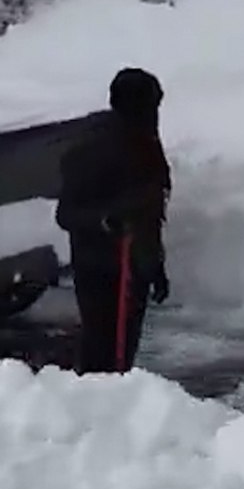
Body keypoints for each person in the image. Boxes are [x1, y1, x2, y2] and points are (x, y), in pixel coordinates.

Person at [55, 68, 171, 374]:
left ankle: (113, 404)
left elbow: (150, 214)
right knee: (102, 350)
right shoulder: (92, 150)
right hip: (101, 270)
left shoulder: (146, 146)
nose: (155, 114)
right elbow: (66, 214)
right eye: (150, 105)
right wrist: (107, 221)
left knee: (124, 351)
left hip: (134, 268)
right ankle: (92, 409)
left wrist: (155, 266)